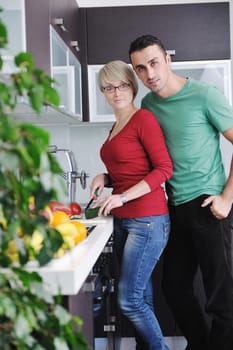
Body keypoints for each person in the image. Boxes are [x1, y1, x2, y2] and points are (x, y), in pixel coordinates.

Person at [129, 34, 233, 350]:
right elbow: (149, 159)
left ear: (168, 59)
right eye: (141, 68)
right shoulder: (148, 105)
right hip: (174, 208)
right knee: (173, 288)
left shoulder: (205, 96)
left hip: (209, 205)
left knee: (222, 299)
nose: (150, 74)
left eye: (154, 63)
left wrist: (227, 198)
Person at [89, 60, 173, 350]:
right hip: (125, 219)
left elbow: (163, 169)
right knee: (142, 296)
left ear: (132, 86)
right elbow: (132, 170)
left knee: (129, 300)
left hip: (147, 221)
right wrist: (106, 176)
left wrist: (122, 197)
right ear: (103, 91)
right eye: (109, 87)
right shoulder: (118, 124)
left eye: (122, 84)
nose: (117, 92)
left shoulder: (143, 119)